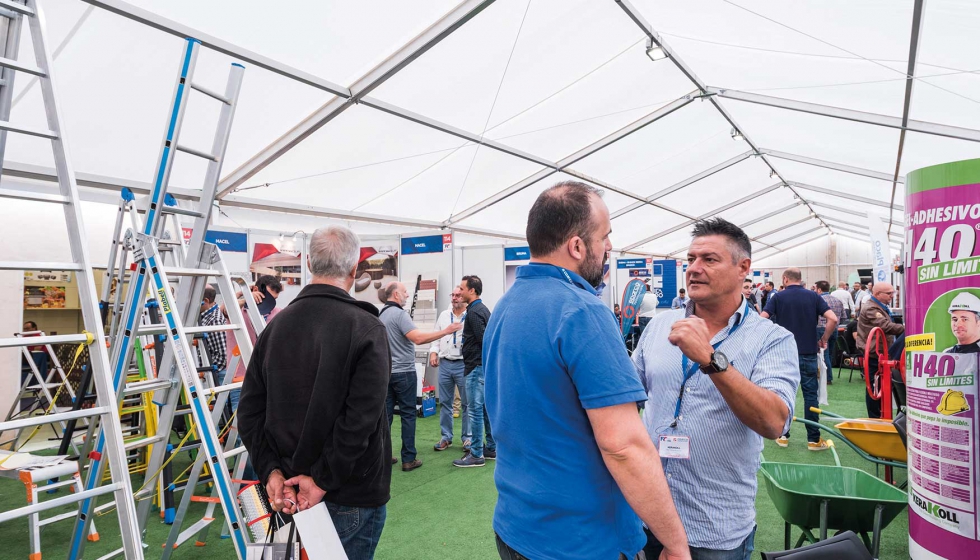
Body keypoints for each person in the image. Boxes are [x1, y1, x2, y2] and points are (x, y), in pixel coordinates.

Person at [485, 181, 690, 560]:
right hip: (582, 540)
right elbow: (623, 446)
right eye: (605, 236)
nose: (609, 246)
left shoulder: (505, 305)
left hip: (517, 527)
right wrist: (676, 545)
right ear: (578, 246)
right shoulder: (581, 311)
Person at [634, 218, 798, 559]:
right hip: (642, 517)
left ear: (743, 268)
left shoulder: (772, 340)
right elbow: (628, 393)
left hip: (712, 528)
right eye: (690, 259)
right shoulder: (660, 325)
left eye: (709, 259)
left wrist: (711, 359)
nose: (694, 269)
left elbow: (774, 422)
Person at [238, 225, 391, 560]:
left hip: (291, 490)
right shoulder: (366, 329)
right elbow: (360, 421)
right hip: (344, 492)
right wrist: (319, 480)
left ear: (309, 263)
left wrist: (272, 472)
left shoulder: (275, 328)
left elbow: (249, 413)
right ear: (354, 270)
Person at [380, 282, 462, 472]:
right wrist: (446, 331)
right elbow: (418, 338)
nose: (408, 295)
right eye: (405, 292)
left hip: (386, 372)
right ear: (395, 294)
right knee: (409, 415)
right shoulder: (400, 315)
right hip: (404, 373)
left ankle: (383, 456)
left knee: (385, 416)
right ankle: (408, 459)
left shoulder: (381, 314)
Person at [762, 268, 837, 451]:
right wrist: (823, 340)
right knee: (810, 395)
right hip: (808, 352)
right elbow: (833, 319)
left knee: (782, 394)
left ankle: (782, 435)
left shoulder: (778, 297)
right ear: (800, 279)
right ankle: (813, 439)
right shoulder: (813, 296)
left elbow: (762, 318)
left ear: (785, 279)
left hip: (784, 354)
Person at [453, 275, 496, 468]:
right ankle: (491, 448)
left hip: (475, 367)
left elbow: (484, 339)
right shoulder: (480, 309)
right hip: (480, 366)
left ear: (472, 291)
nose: (458, 292)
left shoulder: (474, 312)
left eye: (462, 289)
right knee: (484, 410)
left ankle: (477, 453)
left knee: (475, 411)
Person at [430, 287, 471, 452]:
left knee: (467, 404)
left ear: (465, 297)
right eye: (452, 295)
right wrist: (433, 352)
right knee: (445, 403)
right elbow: (436, 336)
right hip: (445, 363)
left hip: (464, 364)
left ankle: (467, 438)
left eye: (458, 295)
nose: (454, 298)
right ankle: (446, 437)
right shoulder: (444, 315)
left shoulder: (471, 315)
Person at [855, 282, 904, 418]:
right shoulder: (871, 308)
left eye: (892, 293)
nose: (892, 296)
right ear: (877, 294)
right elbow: (886, 326)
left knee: (880, 386)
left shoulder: (879, 307)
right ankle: (875, 418)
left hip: (880, 353)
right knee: (874, 387)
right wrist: (908, 327)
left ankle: (880, 416)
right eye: (889, 293)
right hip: (874, 354)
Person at [198, 285, 233, 407]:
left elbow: (223, 355)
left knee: (216, 409)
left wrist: (206, 371)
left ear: (206, 301)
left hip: (217, 373)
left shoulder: (214, 321)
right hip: (212, 372)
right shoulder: (206, 317)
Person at [815, 281, 845, 385]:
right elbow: (844, 317)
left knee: (824, 354)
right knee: (830, 353)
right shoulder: (838, 300)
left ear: (819, 289)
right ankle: (827, 376)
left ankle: (827, 378)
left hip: (821, 328)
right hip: (834, 329)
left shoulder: (818, 300)